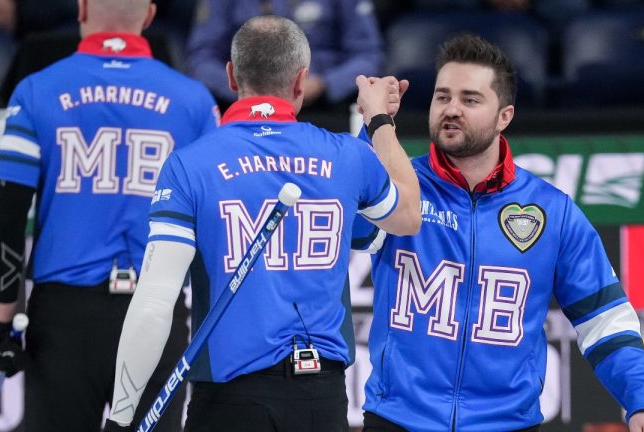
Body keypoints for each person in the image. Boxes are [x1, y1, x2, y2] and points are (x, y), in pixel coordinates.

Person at [102, 15, 420, 432]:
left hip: (229, 402)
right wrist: (378, 121)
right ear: (302, 80)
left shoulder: (189, 165)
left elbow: (155, 303)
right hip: (319, 402)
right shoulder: (347, 157)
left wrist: (121, 417)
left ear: (232, 75)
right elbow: (406, 217)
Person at [352, 34, 644, 432]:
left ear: (505, 116)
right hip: (397, 419)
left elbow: (605, 320)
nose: (451, 110)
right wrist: (374, 127)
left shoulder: (553, 212)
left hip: (507, 424)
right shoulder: (398, 187)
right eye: (443, 97)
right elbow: (355, 228)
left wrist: (640, 402)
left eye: (470, 100)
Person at [0, 0, 219, 430]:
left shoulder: (37, 90)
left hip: (65, 319)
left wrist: (2, 322)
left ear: (82, 8)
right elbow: (217, 220)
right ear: (149, 15)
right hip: (158, 312)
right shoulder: (195, 101)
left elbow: (8, 213)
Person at [185, 0, 384, 109]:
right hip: (244, 104)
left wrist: (324, 84)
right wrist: (248, 88)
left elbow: (367, 55)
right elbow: (201, 58)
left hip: (324, 107)